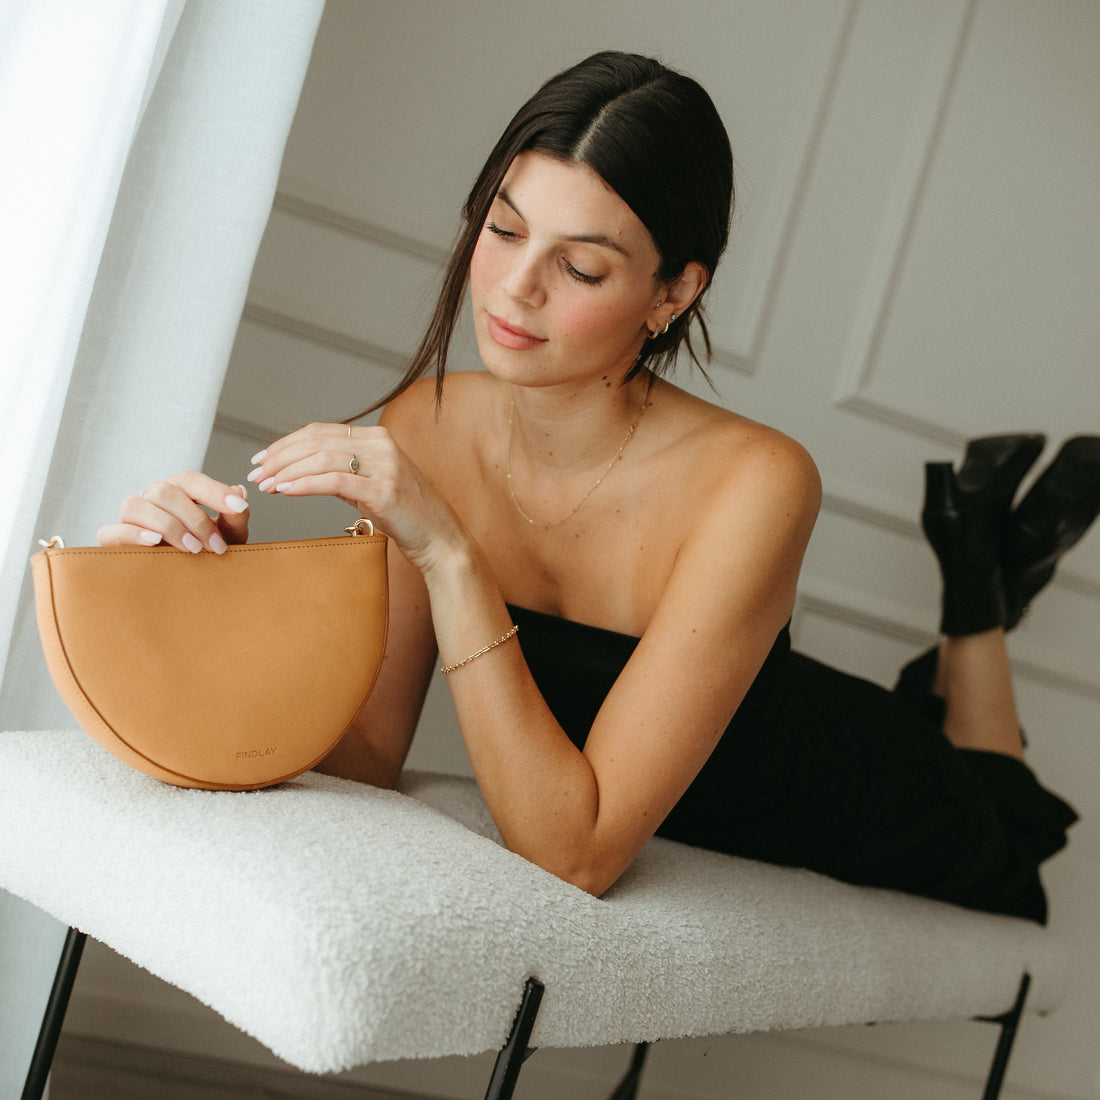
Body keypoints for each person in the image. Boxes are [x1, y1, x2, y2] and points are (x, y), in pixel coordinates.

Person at [98, 51, 1093, 923]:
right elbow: (362, 760)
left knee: (997, 821)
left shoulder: (757, 479)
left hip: (838, 791)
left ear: (672, 292)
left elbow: (573, 852)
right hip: (634, 782)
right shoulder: (424, 426)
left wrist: (447, 549)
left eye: (577, 266)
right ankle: (979, 565)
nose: (512, 289)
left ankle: (974, 588)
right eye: (500, 228)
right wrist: (210, 606)